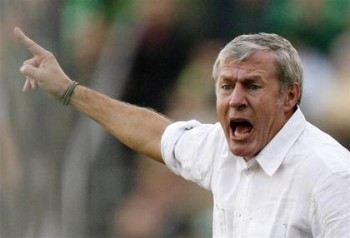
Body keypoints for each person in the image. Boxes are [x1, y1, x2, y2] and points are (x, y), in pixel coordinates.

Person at [14, 27, 350, 237]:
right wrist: (70, 91)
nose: (235, 100)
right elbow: (152, 134)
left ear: (290, 95)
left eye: (252, 85)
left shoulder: (330, 174)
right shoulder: (220, 148)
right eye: (226, 86)